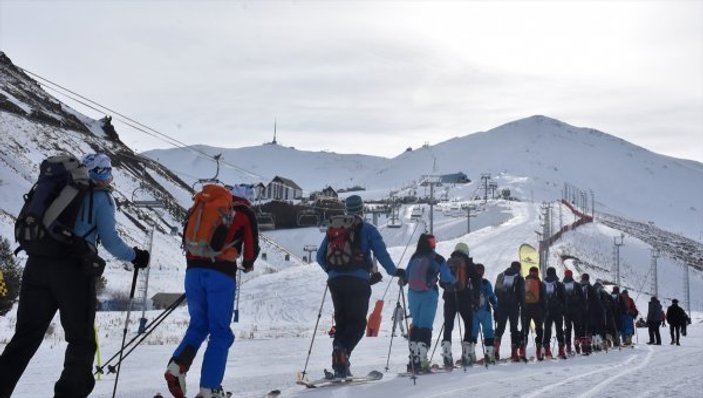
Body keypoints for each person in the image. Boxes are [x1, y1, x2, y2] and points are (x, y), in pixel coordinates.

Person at [0, 153, 150, 398]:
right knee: (81, 340)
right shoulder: (101, 198)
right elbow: (111, 241)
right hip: (73, 272)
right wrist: (136, 256)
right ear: (102, 173)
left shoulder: (58, 191)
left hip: (36, 264)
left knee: (25, 337)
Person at [165, 183, 259, 398]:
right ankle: (210, 389)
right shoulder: (243, 213)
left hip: (193, 274)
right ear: (248, 199)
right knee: (220, 333)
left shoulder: (204, 207)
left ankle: (176, 367)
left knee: (198, 325)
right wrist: (248, 263)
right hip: (220, 276)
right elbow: (252, 248)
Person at [316, 195, 402, 379]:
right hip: (358, 282)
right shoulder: (368, 229)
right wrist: (394, 272)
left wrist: (333, 272)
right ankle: (343, 351)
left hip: (335, 283)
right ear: (362, 209)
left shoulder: (334, 229)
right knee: (358, 324)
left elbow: (320, 257)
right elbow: (381, 253)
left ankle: (340, 365)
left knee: (342, 323)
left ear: (346, 209)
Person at [403, 233, 456, 373]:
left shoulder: (415, 257)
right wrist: (454, 282)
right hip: (429, 294)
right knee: (425, 326)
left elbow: (407, 274)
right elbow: (446, 277)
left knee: (416, 325)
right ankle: (422, 360)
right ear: (432, 244)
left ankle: (413, 360)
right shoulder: (437, 258)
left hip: (413, 293)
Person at [439, 242, 481, 368]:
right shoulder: (468, 263)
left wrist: (449, 288)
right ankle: (466, 354)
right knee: (468, 324)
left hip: (449, 297)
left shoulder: (448, 262)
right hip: (464, 297)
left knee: (448, 325)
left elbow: (442, 282)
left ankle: (447, 353)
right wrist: (476, 297)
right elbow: (476, 280)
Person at [494, 261, 525, 362]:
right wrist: (522, 305)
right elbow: (521, 294)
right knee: (514, 329)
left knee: (500, 328)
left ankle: (495, 350)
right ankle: (514, 353)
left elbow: (496, 291)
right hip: (514, 307)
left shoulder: (501, 275)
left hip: (501, 306)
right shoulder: (519, 278)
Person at [469, 263, 498, 364]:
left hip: (473, 312)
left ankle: (471, 354)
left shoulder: (470, 282)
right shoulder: (485, 283)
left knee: (473, 333)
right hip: (485, 311)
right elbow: (491, 297)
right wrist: (496, 308)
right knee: (488, 332)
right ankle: (489, 355)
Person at [521, 266, 546, 360]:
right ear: (537, 273)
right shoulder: (540, 283)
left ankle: (522, 350)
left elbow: (520, 295)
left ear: (529, 272)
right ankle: (539, 350)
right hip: (537, 309)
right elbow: (544, 299)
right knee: (539, 330)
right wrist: (544, 312)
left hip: (525, 309)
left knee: (524, 330)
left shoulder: (524, 282)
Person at [542, 267, 566, 359]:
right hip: (557, 310)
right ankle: (561, 350)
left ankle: (547, 350)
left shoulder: (542, 284)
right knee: (559, 329)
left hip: (546, 310)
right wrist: (564, 310)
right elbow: (564, 298)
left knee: (547, 329)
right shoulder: (559, 284)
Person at [562, 269, 585, 354]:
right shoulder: (576, 285)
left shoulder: (562, 285)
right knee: (577, 328)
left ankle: (568, 346)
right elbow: (582, 298)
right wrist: (583, 309)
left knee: (568, 329)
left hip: (566, 311)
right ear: (571, 275)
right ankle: (577, 345)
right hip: (576, 311)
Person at [580, 273, 601, 354]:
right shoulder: (591, 288)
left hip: (580, 313)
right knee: (590, 330)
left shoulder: (578, 287)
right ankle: (588, 346)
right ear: (588, 279)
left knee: (582, 329)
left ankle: (583, 346)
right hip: (590, 313)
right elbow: (596, 302)